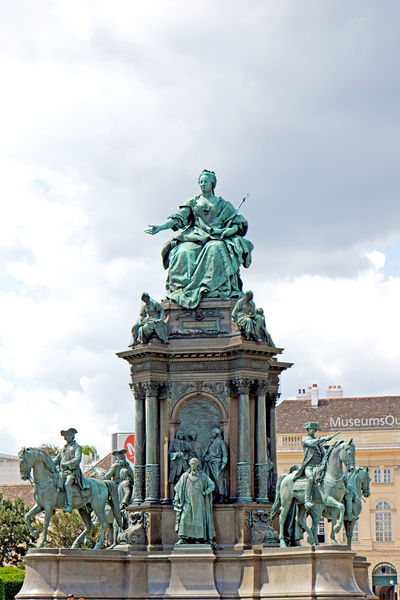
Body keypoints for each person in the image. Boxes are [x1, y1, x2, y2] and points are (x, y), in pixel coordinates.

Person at [145, 170, 254, 309]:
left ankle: (210, 289)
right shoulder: (194, 202)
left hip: (217, 237)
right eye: (200, 182)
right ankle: (181, 292)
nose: (202, 184)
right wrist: (160, 227)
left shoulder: (223, 204)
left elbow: (238, 223)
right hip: (195, 236)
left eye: (205, 182)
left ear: (212, 183)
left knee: (215, 248)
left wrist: (229, 230)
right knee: (182, 252)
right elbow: (178, 218)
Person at [292, 422, 340, 510]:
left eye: (314, 430)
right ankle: (307, 500)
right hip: (309, 466)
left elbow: (323, 454)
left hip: (318, 466)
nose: (312, 431)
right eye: (311, 429)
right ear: (308, 430)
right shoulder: (305, 439)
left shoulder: (318, 444)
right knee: (310, 478)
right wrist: (323, 439)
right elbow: (311, 443)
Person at [173, 458, 215, 544]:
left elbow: (212, 485)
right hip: (187, 501)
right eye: (191, 464)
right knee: (184, 517)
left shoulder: (203, 476)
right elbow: (177, 488)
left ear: (198, 465)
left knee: (198, 519)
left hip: (199, 502)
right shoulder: (185, 476)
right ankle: (183, 537)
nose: (193, 466)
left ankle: (198, 538)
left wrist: (205, 492)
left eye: (194, 464)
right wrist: (177, 498)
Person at [53, 428, 90, 513]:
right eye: (65, 435)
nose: (65, 437)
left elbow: (77, 459)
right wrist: (47, 462)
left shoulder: (77, 447)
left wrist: (67, 464)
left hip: (73, 472)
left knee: (67, 483)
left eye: (67, 435)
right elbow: (56, 459)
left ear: (72, 436)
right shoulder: (63, 448)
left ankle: (69, 506)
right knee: (54, 482)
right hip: (62, 473)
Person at [203, 428, 228, 502]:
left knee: (218, 479)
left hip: (217, 463)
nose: (212, 434)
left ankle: (221, 495)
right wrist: (206, 457)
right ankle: (214, 494)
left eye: (213, 432)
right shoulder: (211, 442)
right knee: (211, 479)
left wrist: (224, 463)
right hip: (210, 463)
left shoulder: (221, 442)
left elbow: (225, 453)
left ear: (217, 434)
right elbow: (207, 452)